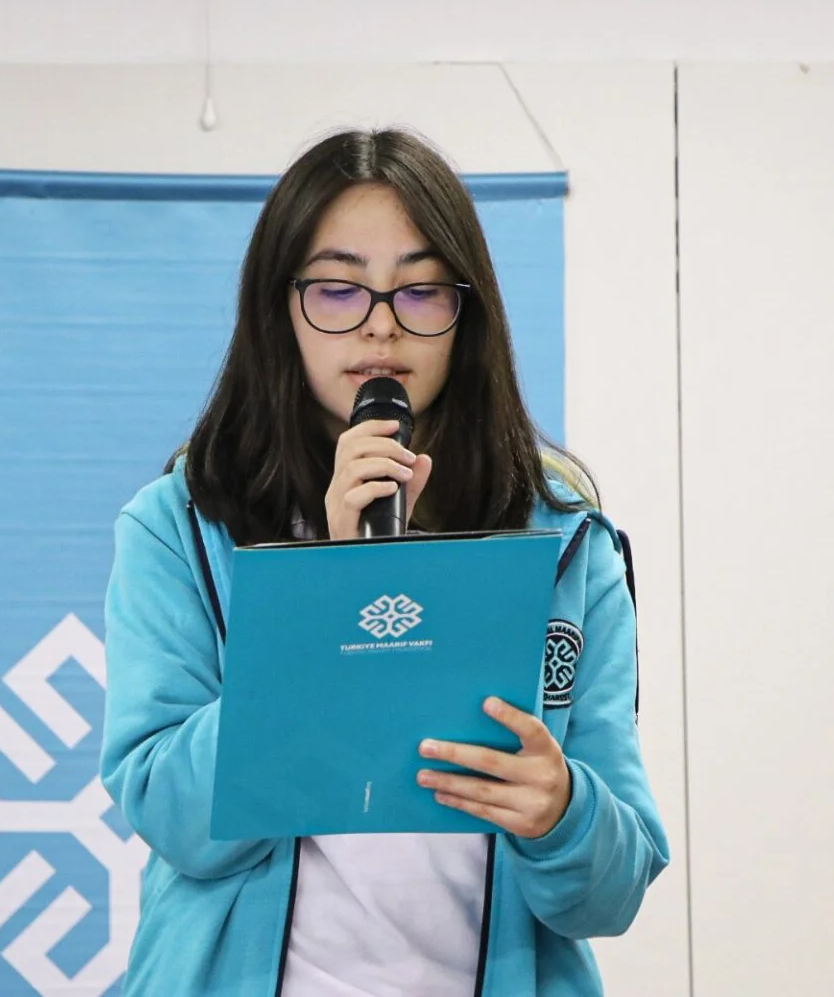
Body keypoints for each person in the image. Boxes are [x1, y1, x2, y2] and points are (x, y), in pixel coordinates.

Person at [99, 127, 669, 996]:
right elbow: (174, 816)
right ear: (279, 310)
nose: (379, 323)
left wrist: (562, 810)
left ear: (466, 315)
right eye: (337, 288)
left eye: (420, 290)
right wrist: (326, 593)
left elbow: (613, 890)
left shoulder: (567, 544)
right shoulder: (180, 526)